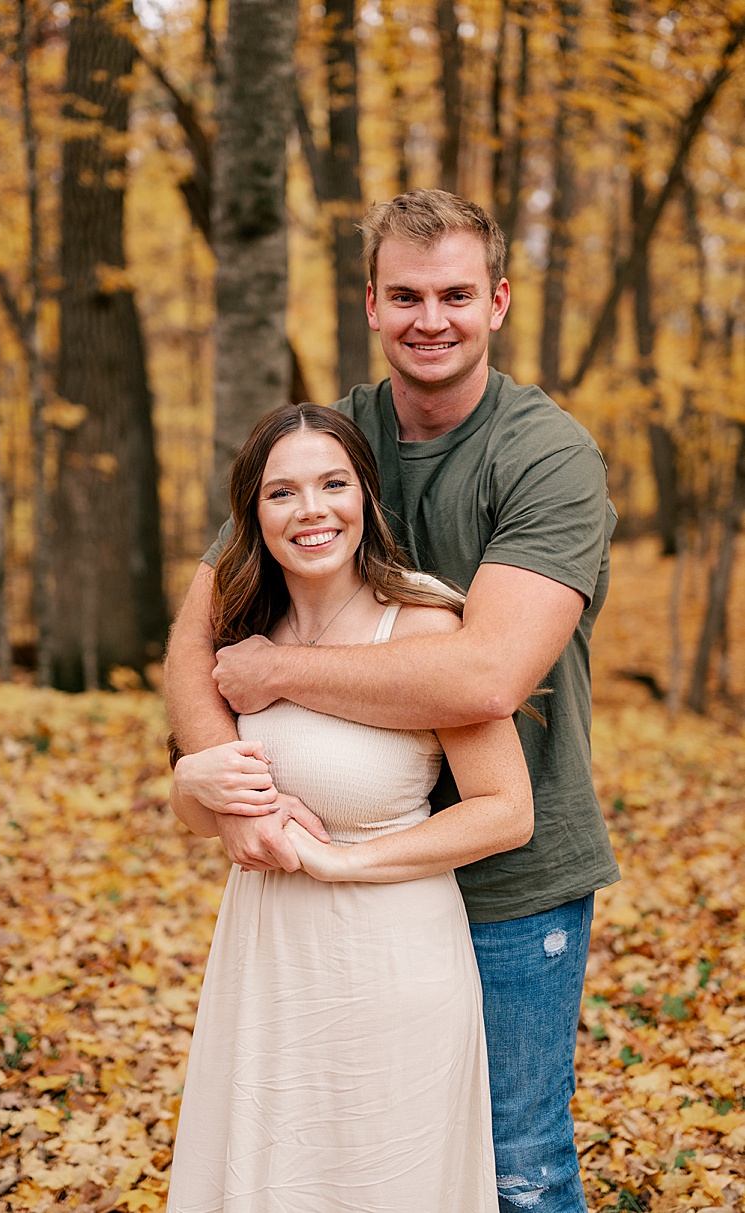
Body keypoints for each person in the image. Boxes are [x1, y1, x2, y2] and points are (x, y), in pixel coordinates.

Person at [165, 189, 621, 1213]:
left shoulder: (545, 456)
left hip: (513, 868)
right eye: (405, 294)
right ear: (369, 304)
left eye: (455, 294)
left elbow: (484, 676)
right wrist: (231, 785)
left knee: (514, 1164)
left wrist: (278, 673)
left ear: (495, 302)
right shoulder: (328, 445)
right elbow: (199, 634)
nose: (430, 318)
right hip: (328, 888)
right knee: (338, 1156)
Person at [165, 403, 534, 1212]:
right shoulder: (241, 632)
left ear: (365, 495)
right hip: (264, 954)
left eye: (332, 484)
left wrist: (345, 860)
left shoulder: (425, 620)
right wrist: (190, 788)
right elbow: (217, 810)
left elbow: (506, 809)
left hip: (390, 961)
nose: (311, 511)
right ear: (250, 515)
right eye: (281, 493)